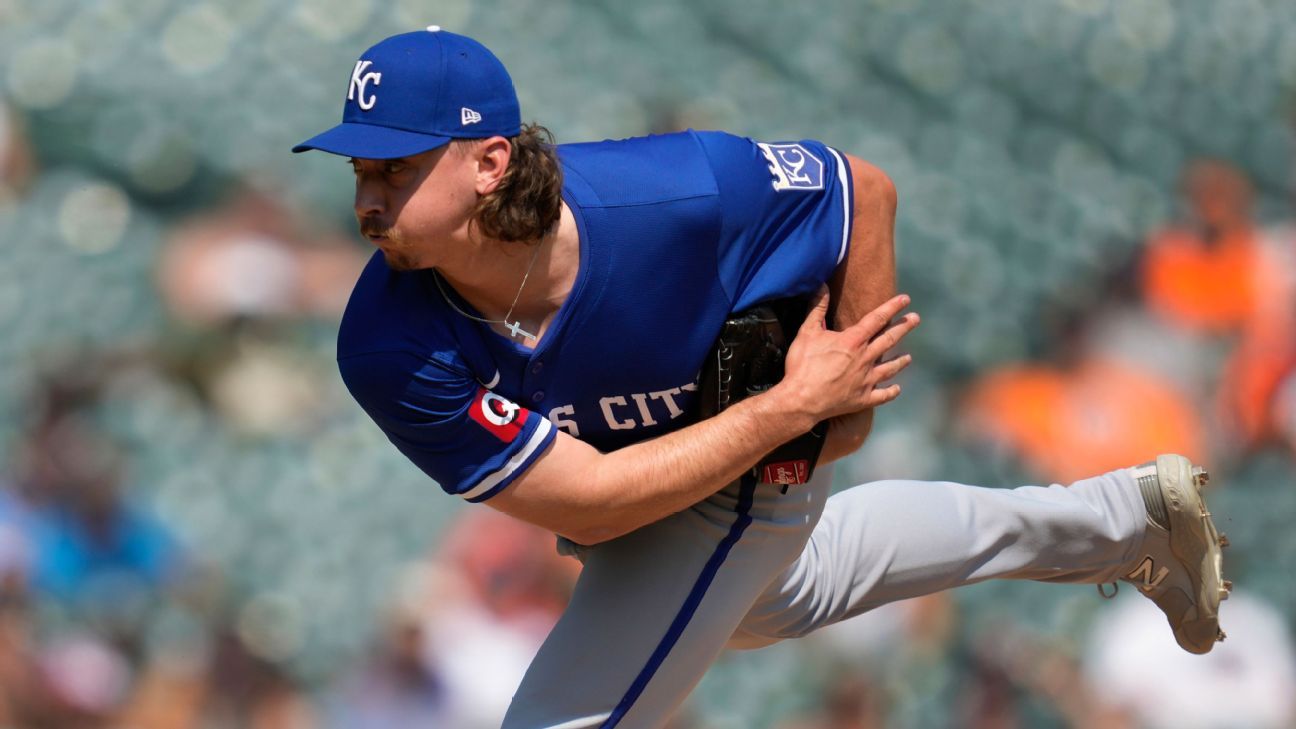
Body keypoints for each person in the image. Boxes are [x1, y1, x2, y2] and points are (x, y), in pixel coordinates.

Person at [293, 28, 1230, 728]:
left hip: (742, 461)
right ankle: (1129, 518)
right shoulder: (385, 343)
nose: (368, 197)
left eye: (395, 169)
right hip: (674, 475)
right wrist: (795, 405)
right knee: (792, 593)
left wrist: (848, 387)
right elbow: (593, 499)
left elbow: (858, 189)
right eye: (360, 170)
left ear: (491, 162)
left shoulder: (679, 194)